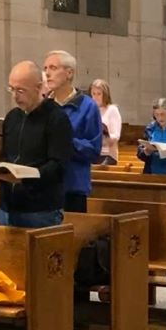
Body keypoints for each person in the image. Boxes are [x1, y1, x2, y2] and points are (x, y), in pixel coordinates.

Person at [0, 61, 72, 228]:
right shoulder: (12, 118)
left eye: (21, 90)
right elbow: (5, 155)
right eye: (11, 89)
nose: (15, 96)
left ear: (39, 87)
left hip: (40, 209)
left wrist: (26, 177)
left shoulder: (56, 118)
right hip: (7, 207)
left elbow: (58, 166)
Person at [43, 50, 102, 212]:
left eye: (53, 68)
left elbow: (93, 151)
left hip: (72, 187)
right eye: (45, 68)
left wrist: (66, 141)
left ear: (69, 73)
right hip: (45, 187)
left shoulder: (87, 106)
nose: (47, 73)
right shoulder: (44, 105)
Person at [89, 79, 122, 166]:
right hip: (92, 152)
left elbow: (115, 136)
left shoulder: (112, 110)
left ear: (105, 95)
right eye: (93, 94)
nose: (95, 97)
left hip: (108, 155)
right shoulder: (90, 110)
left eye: (99, 94)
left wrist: (105, 134)